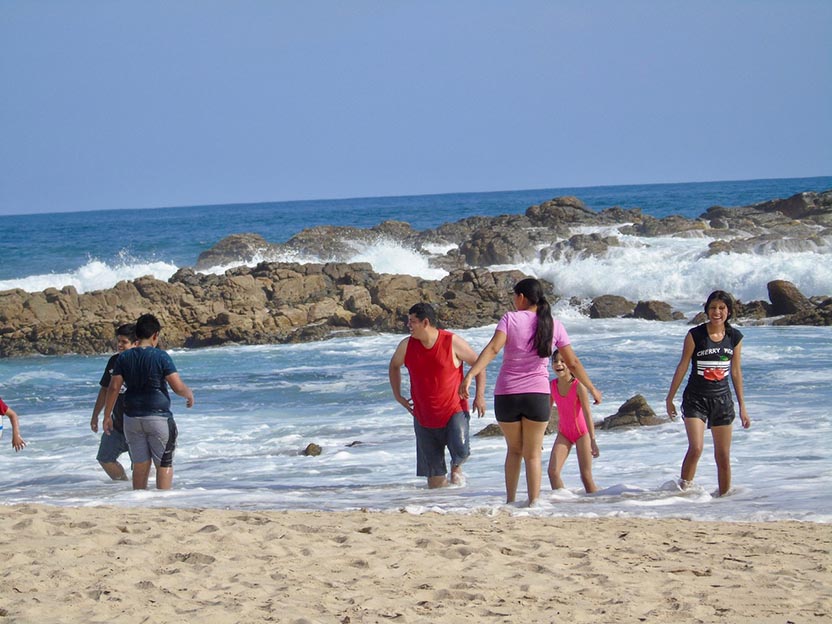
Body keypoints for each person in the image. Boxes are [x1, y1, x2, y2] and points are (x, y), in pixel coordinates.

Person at [460, 278, 601, 506]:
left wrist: (470, 375)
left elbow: (494, 348)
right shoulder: (553, 324)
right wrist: (592, 388)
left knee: (514, 450)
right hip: (537, 395)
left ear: (522, 297)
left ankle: (510, 501)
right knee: (533, 454)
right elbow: (573, 362)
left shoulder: (510, 319)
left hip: (507, 395)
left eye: (515, 296)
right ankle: (534, 502)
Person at [389, 302, 486, 488]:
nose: (408, 325)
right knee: (435, 481)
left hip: (454, 410)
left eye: (412, 321)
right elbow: (394, 366)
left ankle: (456, 466)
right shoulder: (407, 345)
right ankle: (441, 506)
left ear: (426, 322)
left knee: (462, 451)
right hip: (423, 416)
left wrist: (479, 396)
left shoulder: (451, 341)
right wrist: (397, 395)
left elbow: (479, 364)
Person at [666, 290, 750, 496]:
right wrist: (670, 399)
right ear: (707, 310)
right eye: (713, 308)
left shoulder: (734, 337)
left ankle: (723, 499)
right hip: (695, 399)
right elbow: (682, 366)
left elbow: (736, 372)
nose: (717, 312)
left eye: (722, 308)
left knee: (723, 456)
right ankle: (682, 492)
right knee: (696, 448)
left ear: (728, 311)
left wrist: (742, 407)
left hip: (722, 401)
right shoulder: (695, 335)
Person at [103, 314, 194, 490]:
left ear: (136, 335)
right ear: (155, 335)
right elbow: (177, 387)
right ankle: (162, 501)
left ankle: (139, 501)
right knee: (164, 463)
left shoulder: (123, 358)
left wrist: (107, 415)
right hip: (157, 417)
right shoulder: (161, 356)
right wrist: (189, 394)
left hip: (131, 419)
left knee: (140, 464)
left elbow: (113, 388)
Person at [547, 349, 599, 494]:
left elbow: (588, 414)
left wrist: (593, 440)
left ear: (570, 365)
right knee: (553, 471)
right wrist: (537, 439)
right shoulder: (552, 386)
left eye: (563, 361)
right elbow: (546, 412)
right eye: (555, 361)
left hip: (582, 433)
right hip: (564, 433)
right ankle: (564, 503)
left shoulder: (578, 385)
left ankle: (596, 505)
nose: (559, 364)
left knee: (586, 477)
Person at [90, 323, 136, 480]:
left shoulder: (141, 362)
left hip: (138, 424)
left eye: (124, 342)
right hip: (116, 424)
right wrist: (96, 415)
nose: (120, 345)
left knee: (139, 465)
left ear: (135, 343)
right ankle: (122, 488)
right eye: (119, 341)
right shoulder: (113, 361)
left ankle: (144, 496)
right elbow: (105, 390)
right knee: (105, 458)